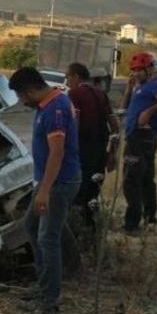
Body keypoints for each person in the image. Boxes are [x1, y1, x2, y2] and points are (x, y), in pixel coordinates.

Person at [9, 66, 81, 314]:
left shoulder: (55, 109)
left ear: (30, 90)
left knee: (47, 238)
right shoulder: (48, 104)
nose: (21, 101)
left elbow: (57, 153)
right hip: (49, 182)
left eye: (21, 96)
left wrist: (44, 191)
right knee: (31, 226)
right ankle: (44, 286)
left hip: (59, 184)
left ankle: (49, 300)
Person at [121, 51, 157, 234]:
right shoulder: (139, 87)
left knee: (131, 180)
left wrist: (149, 112)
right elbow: (124, 108)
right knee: (145, 179)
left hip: (140, 138)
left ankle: (132, 224)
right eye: (134, 70)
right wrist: (129, 90)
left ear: (150, 69)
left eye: (139, 70)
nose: (136, 73)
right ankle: (149, 218)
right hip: (139, 137)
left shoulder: (154, 84)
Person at [64, 62, 119, 218]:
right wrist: (112, 153)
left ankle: (81, 230)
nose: (66, 80)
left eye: (67, 76)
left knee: (79, 193)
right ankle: (93, 227)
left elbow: (75, 123)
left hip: (83, 150)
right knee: (94, 192)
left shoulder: (74, 94)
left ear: (75, 76)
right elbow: (114, 125)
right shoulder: (101, 94)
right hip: (101, 149)